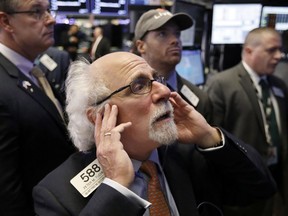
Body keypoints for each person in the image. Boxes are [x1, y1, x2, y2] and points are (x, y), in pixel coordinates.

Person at [33, 51, 276, 216]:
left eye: (156, 79)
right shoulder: (57, 193)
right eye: (139, 85)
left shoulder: (186, 156)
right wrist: (117, 187)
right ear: (98, 116)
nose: (164, 90)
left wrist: (208, 136)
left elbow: (260, 189)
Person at [0, 0, 75, 215]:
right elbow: (6, 195)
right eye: (36, 12)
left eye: (48, 10)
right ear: (6, 21)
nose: (51, 19)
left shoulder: (31, 72)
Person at [205, 27, 288, 216]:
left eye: (280, 50)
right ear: (249, 50)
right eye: (271, 50)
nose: (278, 56)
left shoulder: (278, 84)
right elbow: (213, 140)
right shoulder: (222, 84)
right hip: (240, 188)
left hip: (274, 179)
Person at [132, 9, 212, 122]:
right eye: (162, 34)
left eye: (177, 34)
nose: (175, 40)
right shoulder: (125, 95)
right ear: (141, 46)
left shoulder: (200, 100)